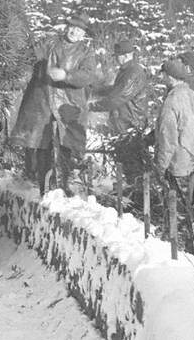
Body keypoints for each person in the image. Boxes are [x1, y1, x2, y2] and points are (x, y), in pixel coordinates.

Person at [154, 59, 194, 250]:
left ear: (169, 77)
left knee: (178, 211)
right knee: (193, 207)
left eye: (163, 75)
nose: (162, 78)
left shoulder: (171, 101)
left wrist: (160, 166)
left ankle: (182, 252)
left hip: (178, 164)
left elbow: (167, 139)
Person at [45, 15, 102, 194]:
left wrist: (66, 75)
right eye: (72, 27)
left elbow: (88, 75)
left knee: (72, 144)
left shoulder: (86, 52)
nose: (74, 32)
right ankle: (46, 183)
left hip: (72, 103)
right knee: (44, 143)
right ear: (66, 27)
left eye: (79, 29)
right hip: (47, 99)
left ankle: (72, 185)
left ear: (83, 34)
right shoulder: (52, 44)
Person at [93, 39, 151, 207]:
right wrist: (97, 90)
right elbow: (116, 90)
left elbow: (119, 96)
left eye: (120, 56)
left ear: (128, 55)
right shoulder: (127, 70)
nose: (118, 59)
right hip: (125, 122)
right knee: (126, 160)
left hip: (131, 123)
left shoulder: (134, 71)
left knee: (132, 162)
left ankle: (139, 199)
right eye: (117, 56)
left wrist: (93, 106)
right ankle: (135, 194)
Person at [8, 35, 56, 195]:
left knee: (36, 147)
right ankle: (42, 184)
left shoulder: (40, 63)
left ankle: (35, 178)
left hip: (36, 110)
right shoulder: (45, 65)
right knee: (42, 148)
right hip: (40, 111)